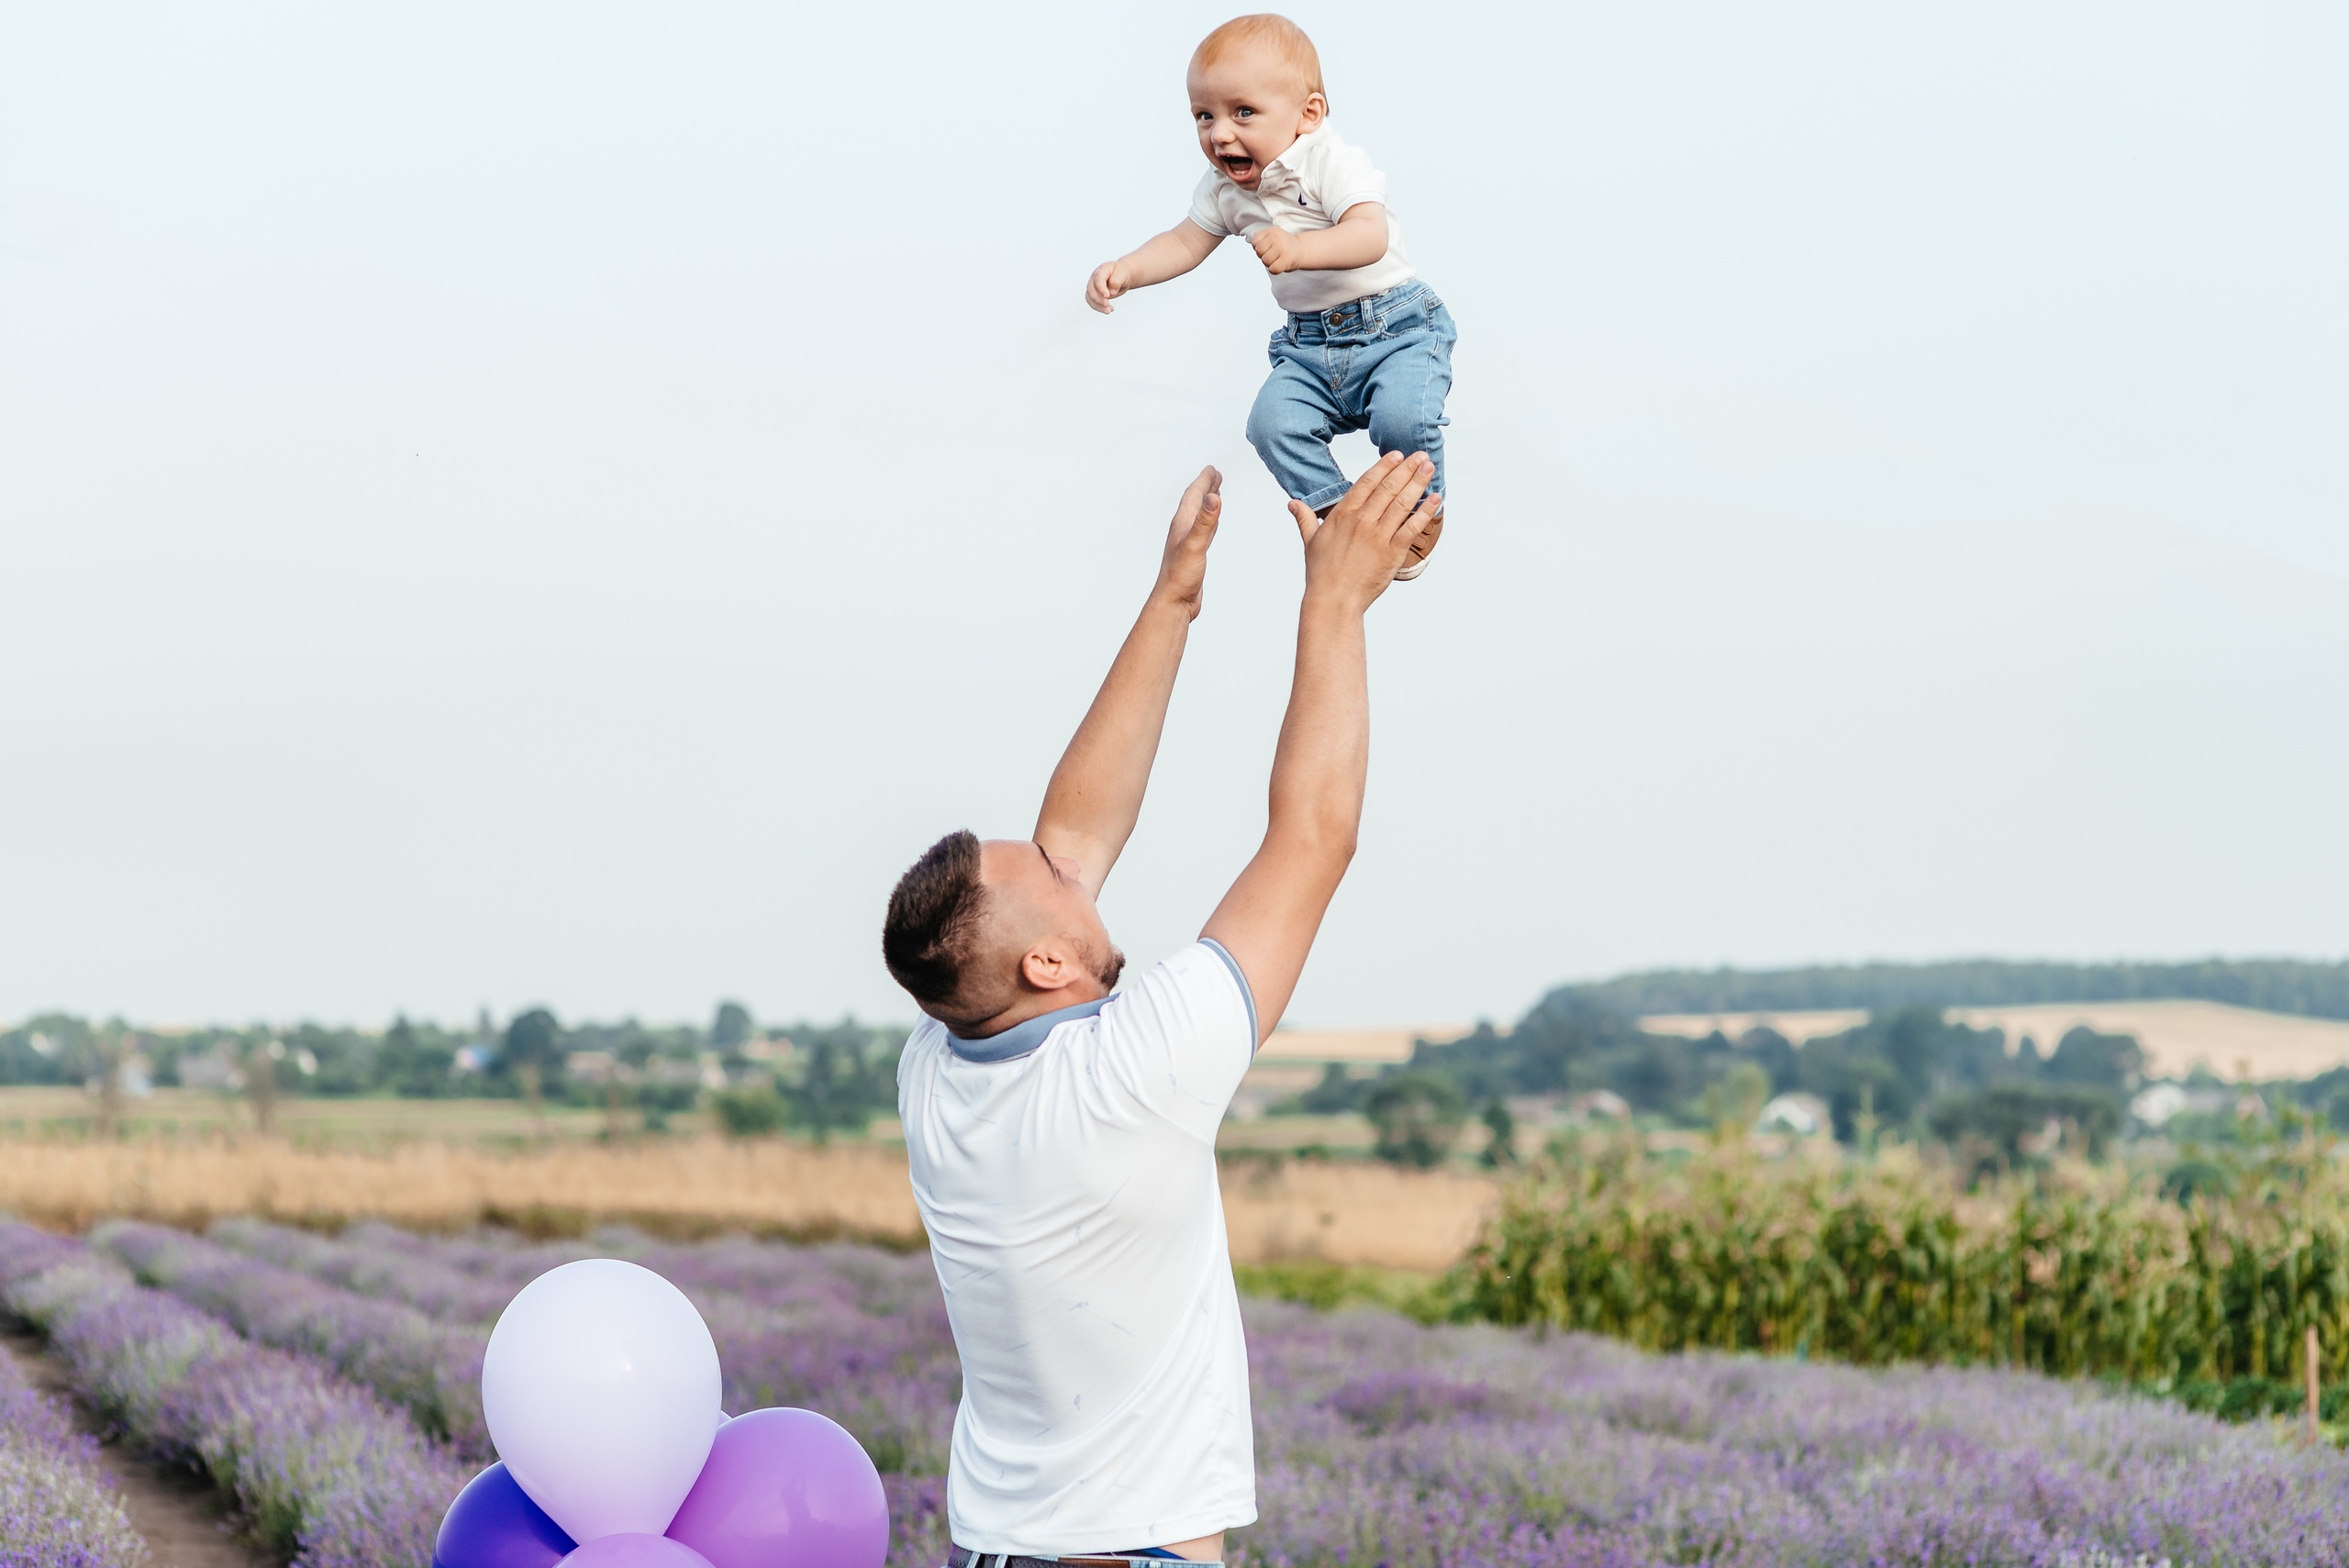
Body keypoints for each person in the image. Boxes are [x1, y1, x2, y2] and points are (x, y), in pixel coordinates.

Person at [883, 452, 1442, 1566]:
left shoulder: (941, 1060)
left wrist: (1174, 597)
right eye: (1041, 870)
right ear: (1047, 960)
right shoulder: (1127, 1075)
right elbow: (1311, 840)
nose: (1062, 854)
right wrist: (1336, 600)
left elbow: (1077, 829)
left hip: (1002, 1547)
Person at [1085, 15, 1455, 581]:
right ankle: (1337, 510)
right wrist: (1129, 269)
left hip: (1395, 328)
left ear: (1308, 114)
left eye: (1243, 113)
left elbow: (1369, 235)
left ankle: (1416, 514)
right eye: (1203, 116)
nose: (1219, 134)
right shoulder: (1225, 190)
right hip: (1309, 347)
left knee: (1404, 420)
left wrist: (1299, 249)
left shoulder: (1330, 160)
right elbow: (1186, 241)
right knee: (1270, 423)